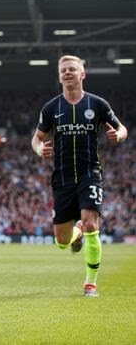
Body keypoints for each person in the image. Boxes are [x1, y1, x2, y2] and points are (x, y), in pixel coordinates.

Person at [31, 54, 127, 298]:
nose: (67, 73)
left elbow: (121, 127)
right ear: (59, 76)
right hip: (62, 178)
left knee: (92, 222)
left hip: (89, 173)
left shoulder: (97, 104)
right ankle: (77, 233)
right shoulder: (51, 108)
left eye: (72, 69)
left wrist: (120, 135)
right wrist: (40, 149)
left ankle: (90, 284)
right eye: (63, 70)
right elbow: (37, 138)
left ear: (82, 74)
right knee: (61, 242)